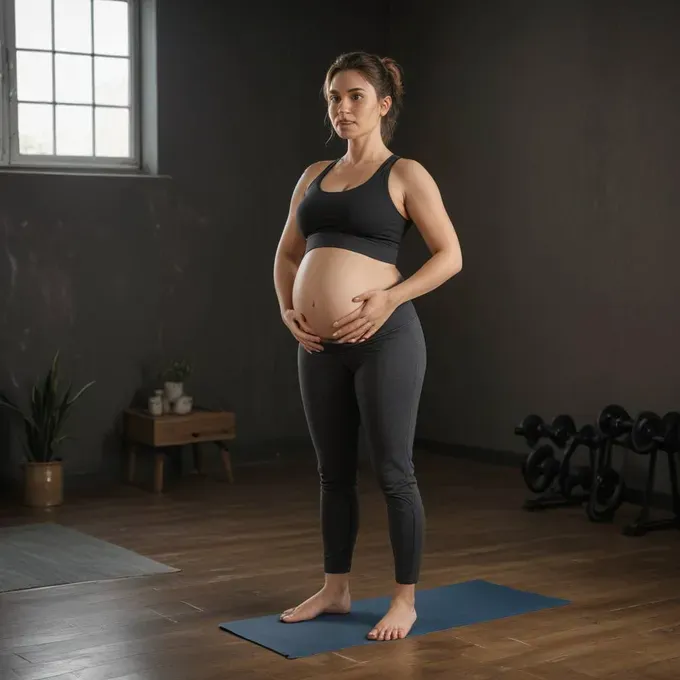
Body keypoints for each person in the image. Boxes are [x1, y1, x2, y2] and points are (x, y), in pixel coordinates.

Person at [273, 51, 462, 642]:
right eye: (334, 96)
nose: (342, 107)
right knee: (333, 474)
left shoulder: (406, 174)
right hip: (318, 345)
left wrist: (392, 297)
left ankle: (405, 599)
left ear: (382, 105)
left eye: (355, 96)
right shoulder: (312, 176)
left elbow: (450, 256)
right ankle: (336, 589)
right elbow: (287, 255)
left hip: (385, 340)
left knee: (393, 472)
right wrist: (288, 311)